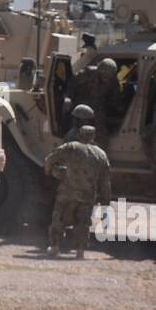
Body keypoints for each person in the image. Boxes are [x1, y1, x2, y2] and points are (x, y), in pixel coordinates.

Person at [44, 104, 113, 258]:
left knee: (58, 219)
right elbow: (105, 181)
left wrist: (51, 171)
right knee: (83, 223)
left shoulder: (72, 144)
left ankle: (55, 247)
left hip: (67, 189)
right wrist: (106, 202)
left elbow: (51, 159)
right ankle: (80, 252)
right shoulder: (101, 154)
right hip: (87, 194)